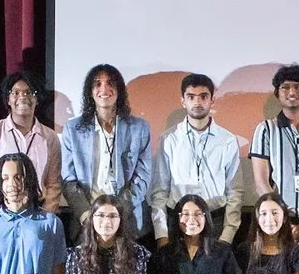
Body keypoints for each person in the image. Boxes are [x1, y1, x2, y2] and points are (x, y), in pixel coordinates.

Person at [59, 63, 153, 236]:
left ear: (119, 90)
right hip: (86, 222)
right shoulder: (73, 130)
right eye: (97, 83)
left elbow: (143, 177)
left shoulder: (139, 128)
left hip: (127, 219)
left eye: (111, 83)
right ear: (90, 91)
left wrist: (115, 213)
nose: (104, 88)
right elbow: (68, 179)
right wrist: (88, 215)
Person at [152, 72, 243, 243]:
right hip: (178, 221)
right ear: (183, 101)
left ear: (212, 100)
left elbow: (235, 191)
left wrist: (227, 236)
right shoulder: (169, 139)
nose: (197, 102)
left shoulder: (227, 140)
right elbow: (160, 192)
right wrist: (161, 235)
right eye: (191, 97)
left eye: (203, 96)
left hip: (215, 220)